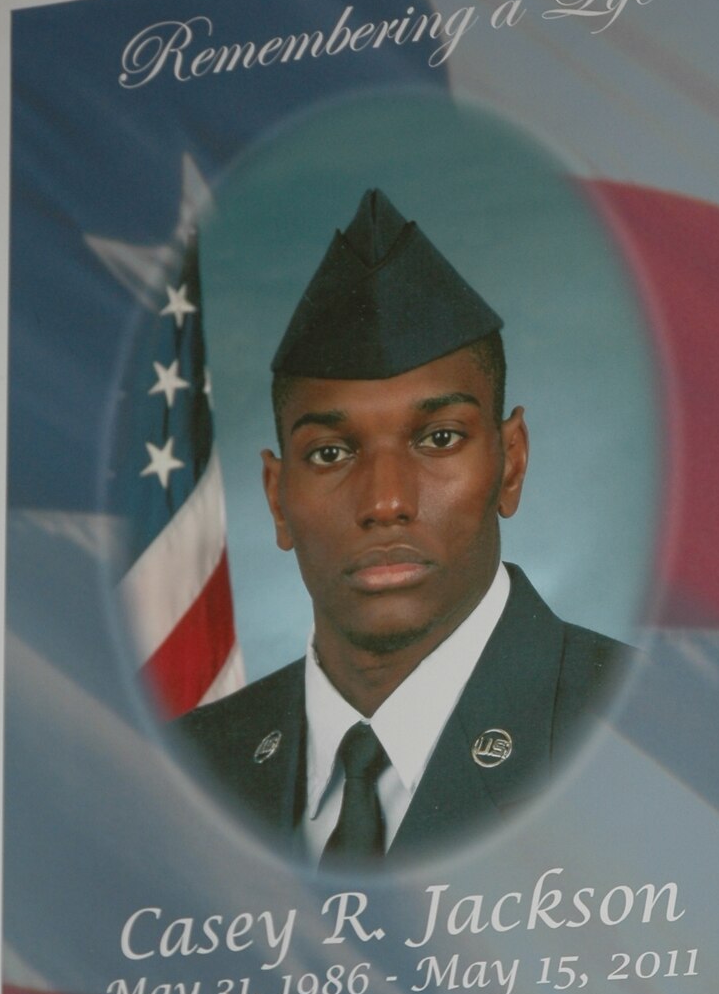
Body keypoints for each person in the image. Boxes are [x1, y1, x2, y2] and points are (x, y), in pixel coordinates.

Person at [178, 188, 628, 862]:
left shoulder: (642, 738)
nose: (385, 501)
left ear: (511, 464)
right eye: (331, 453)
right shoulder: (181, 773)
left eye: (440, 438)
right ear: (277, 498)